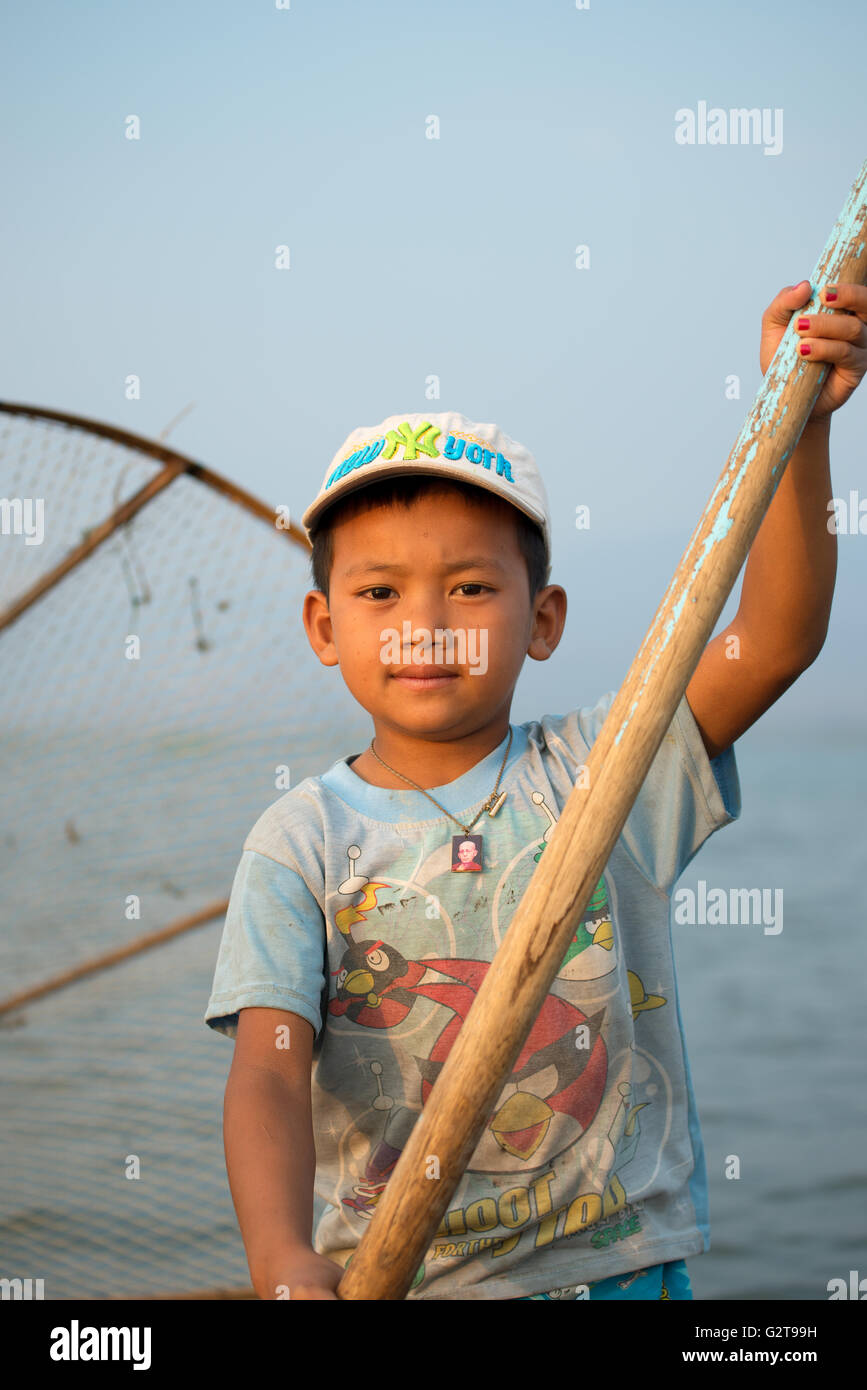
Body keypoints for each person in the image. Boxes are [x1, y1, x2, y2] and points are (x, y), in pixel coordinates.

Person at [205, 281, 866, 1300]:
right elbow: (267, 1071)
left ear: (544, 619)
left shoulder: (604, 774)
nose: (424, 620)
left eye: (470, 587)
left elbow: (775, 638)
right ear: (324, 625)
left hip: (622, 1279)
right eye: (378, 593)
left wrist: (802, 421)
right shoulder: (300, 843)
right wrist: (283, 1257)